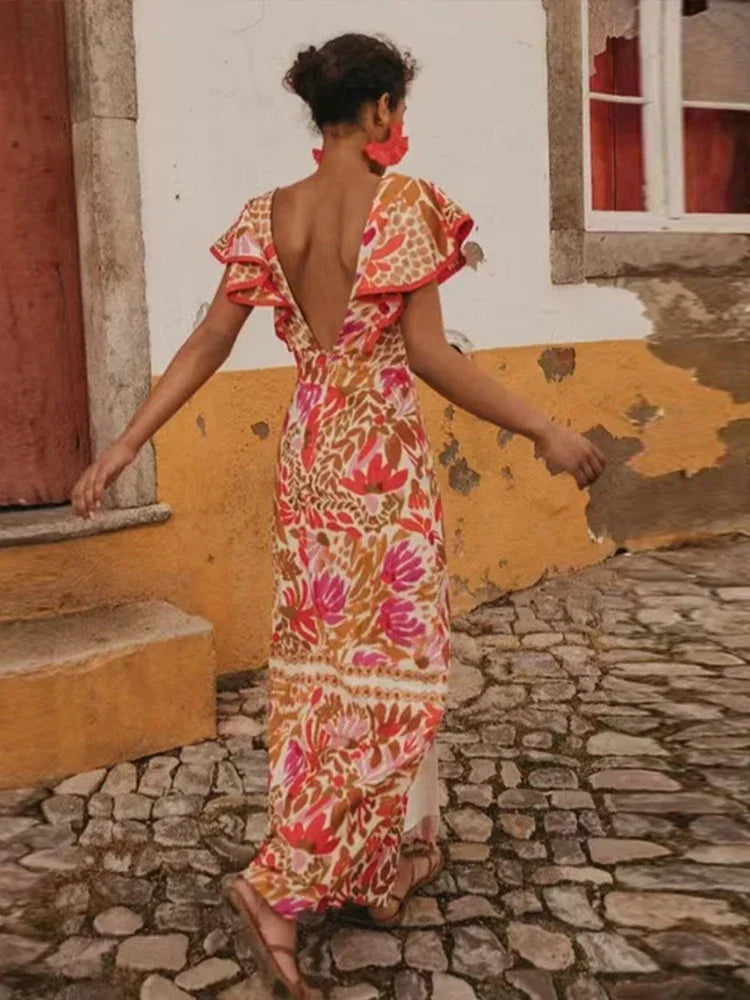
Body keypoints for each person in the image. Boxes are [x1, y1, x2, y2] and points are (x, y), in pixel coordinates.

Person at [72, 32, 605, 1000]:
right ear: (384, 111)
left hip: (309, 451)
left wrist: (122, 445)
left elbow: (204, 343)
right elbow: (432, 358)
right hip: (378, 457)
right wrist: (544, 429)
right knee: (396, 666)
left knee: (323, 672)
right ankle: (292, 879)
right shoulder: (406, 204)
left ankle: (378, 856)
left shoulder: (265, 215)